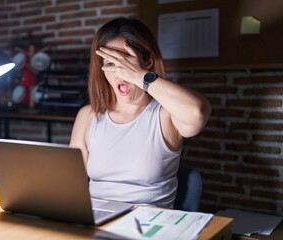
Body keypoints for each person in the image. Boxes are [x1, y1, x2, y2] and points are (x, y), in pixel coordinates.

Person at [69, 17, 211, 208]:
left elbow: (198, 113)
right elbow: (69, 181)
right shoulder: (87, 116)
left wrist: (138, 75)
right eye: (110, 63)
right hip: (94, 223)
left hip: (148, 227)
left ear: (147, 63)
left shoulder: (166, 114)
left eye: (126, 61)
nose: (119, 72)